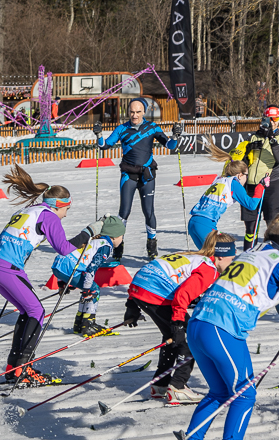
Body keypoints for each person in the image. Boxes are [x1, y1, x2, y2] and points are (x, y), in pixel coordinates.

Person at [170, 218, 279, 440]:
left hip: (198, 325)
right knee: (244, 394)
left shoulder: (255, 252)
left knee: (220, 392)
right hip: (222, 327)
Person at [0, 165, 100, 387]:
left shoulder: (30, 209)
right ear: (60, 205)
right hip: (7, 267)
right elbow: (65, 249)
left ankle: (14, 368)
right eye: (67, 209)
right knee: (37, 311)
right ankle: (22, 370)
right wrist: (88, 233)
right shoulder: (49, 216)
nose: (66, 214)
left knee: (29, 311)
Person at [124, 231, 236, 406]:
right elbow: (182, 295)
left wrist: (132, 304)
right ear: (221, 256)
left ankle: (160, 385)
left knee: (171, 337)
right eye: (231, 259)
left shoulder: (193, 257)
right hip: (155, 294)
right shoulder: (209, 269)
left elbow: (148, 270)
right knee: (189, 338)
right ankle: (177, 387)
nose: (232, 264)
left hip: (141, 288)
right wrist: (178, 322)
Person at [94, 98, 181, 259]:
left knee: (149, 212)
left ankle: (152, 245)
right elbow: (104, 146)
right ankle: (118, 247)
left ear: (144, 112)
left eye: (138, 112)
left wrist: (175, 136)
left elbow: (169, 145)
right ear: (128, 112)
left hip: (147, 175)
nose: (134, 115)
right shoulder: (122, 129)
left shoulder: (152, 127)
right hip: (128, 175)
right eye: (132, 112)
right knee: (124, 212)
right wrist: (99, 134)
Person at [51, 214, 125, 336]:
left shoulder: (94, 240)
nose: (121, 239)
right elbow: (92, 268)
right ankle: (88, 324)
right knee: (94, 290)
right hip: (70, 269)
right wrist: (86, 289)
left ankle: (79, 324)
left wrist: (62, 282)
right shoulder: (105, 246)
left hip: (59, 266)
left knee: (88, 290)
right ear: (115, 236)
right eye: (122, 236)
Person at [186, 145, 265, 249]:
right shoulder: (234, 183)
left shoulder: (220, 179)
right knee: (223, 254)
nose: (247, 178)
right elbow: (251, 205)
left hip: (194, 223)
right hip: (205, 223)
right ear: (240, 175)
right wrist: (261, 186)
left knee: (209, 258)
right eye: (247, 175)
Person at [233, 107, 279, 249]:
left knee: (272, 224)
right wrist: (248, 150)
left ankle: (273, 256)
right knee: (250, 227)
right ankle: (248, 254)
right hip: (251, 185)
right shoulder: (254, 136)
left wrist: (272, 141)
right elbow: (241, 160)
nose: (272, 122)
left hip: (271, 185)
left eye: (275, 119)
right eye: (268, 118)